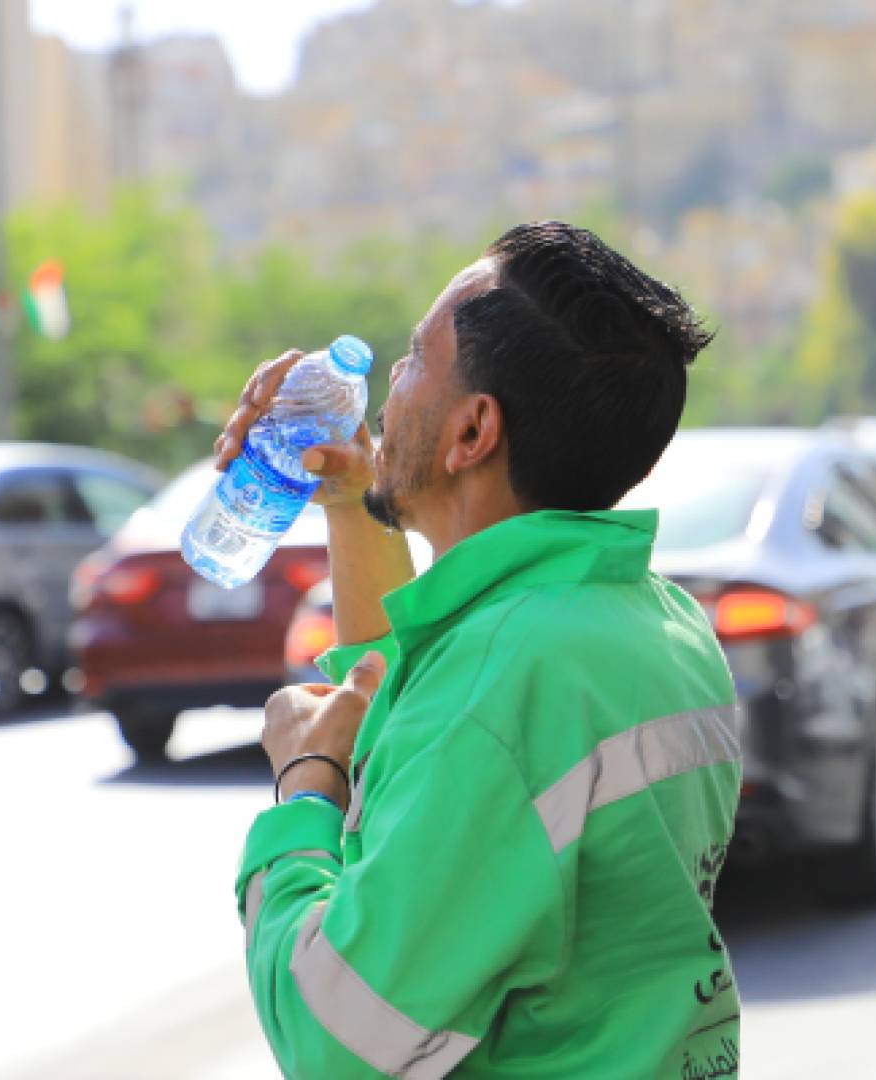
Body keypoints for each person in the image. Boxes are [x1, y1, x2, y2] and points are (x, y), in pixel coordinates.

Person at [221, 221, 742, 1078]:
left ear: (473, 433)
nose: (390, 376)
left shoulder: (499, 685)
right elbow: (410, 709)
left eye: (416, 358)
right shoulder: (653, 622)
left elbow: (335, 1044)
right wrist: (353, 498)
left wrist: (304, 787)